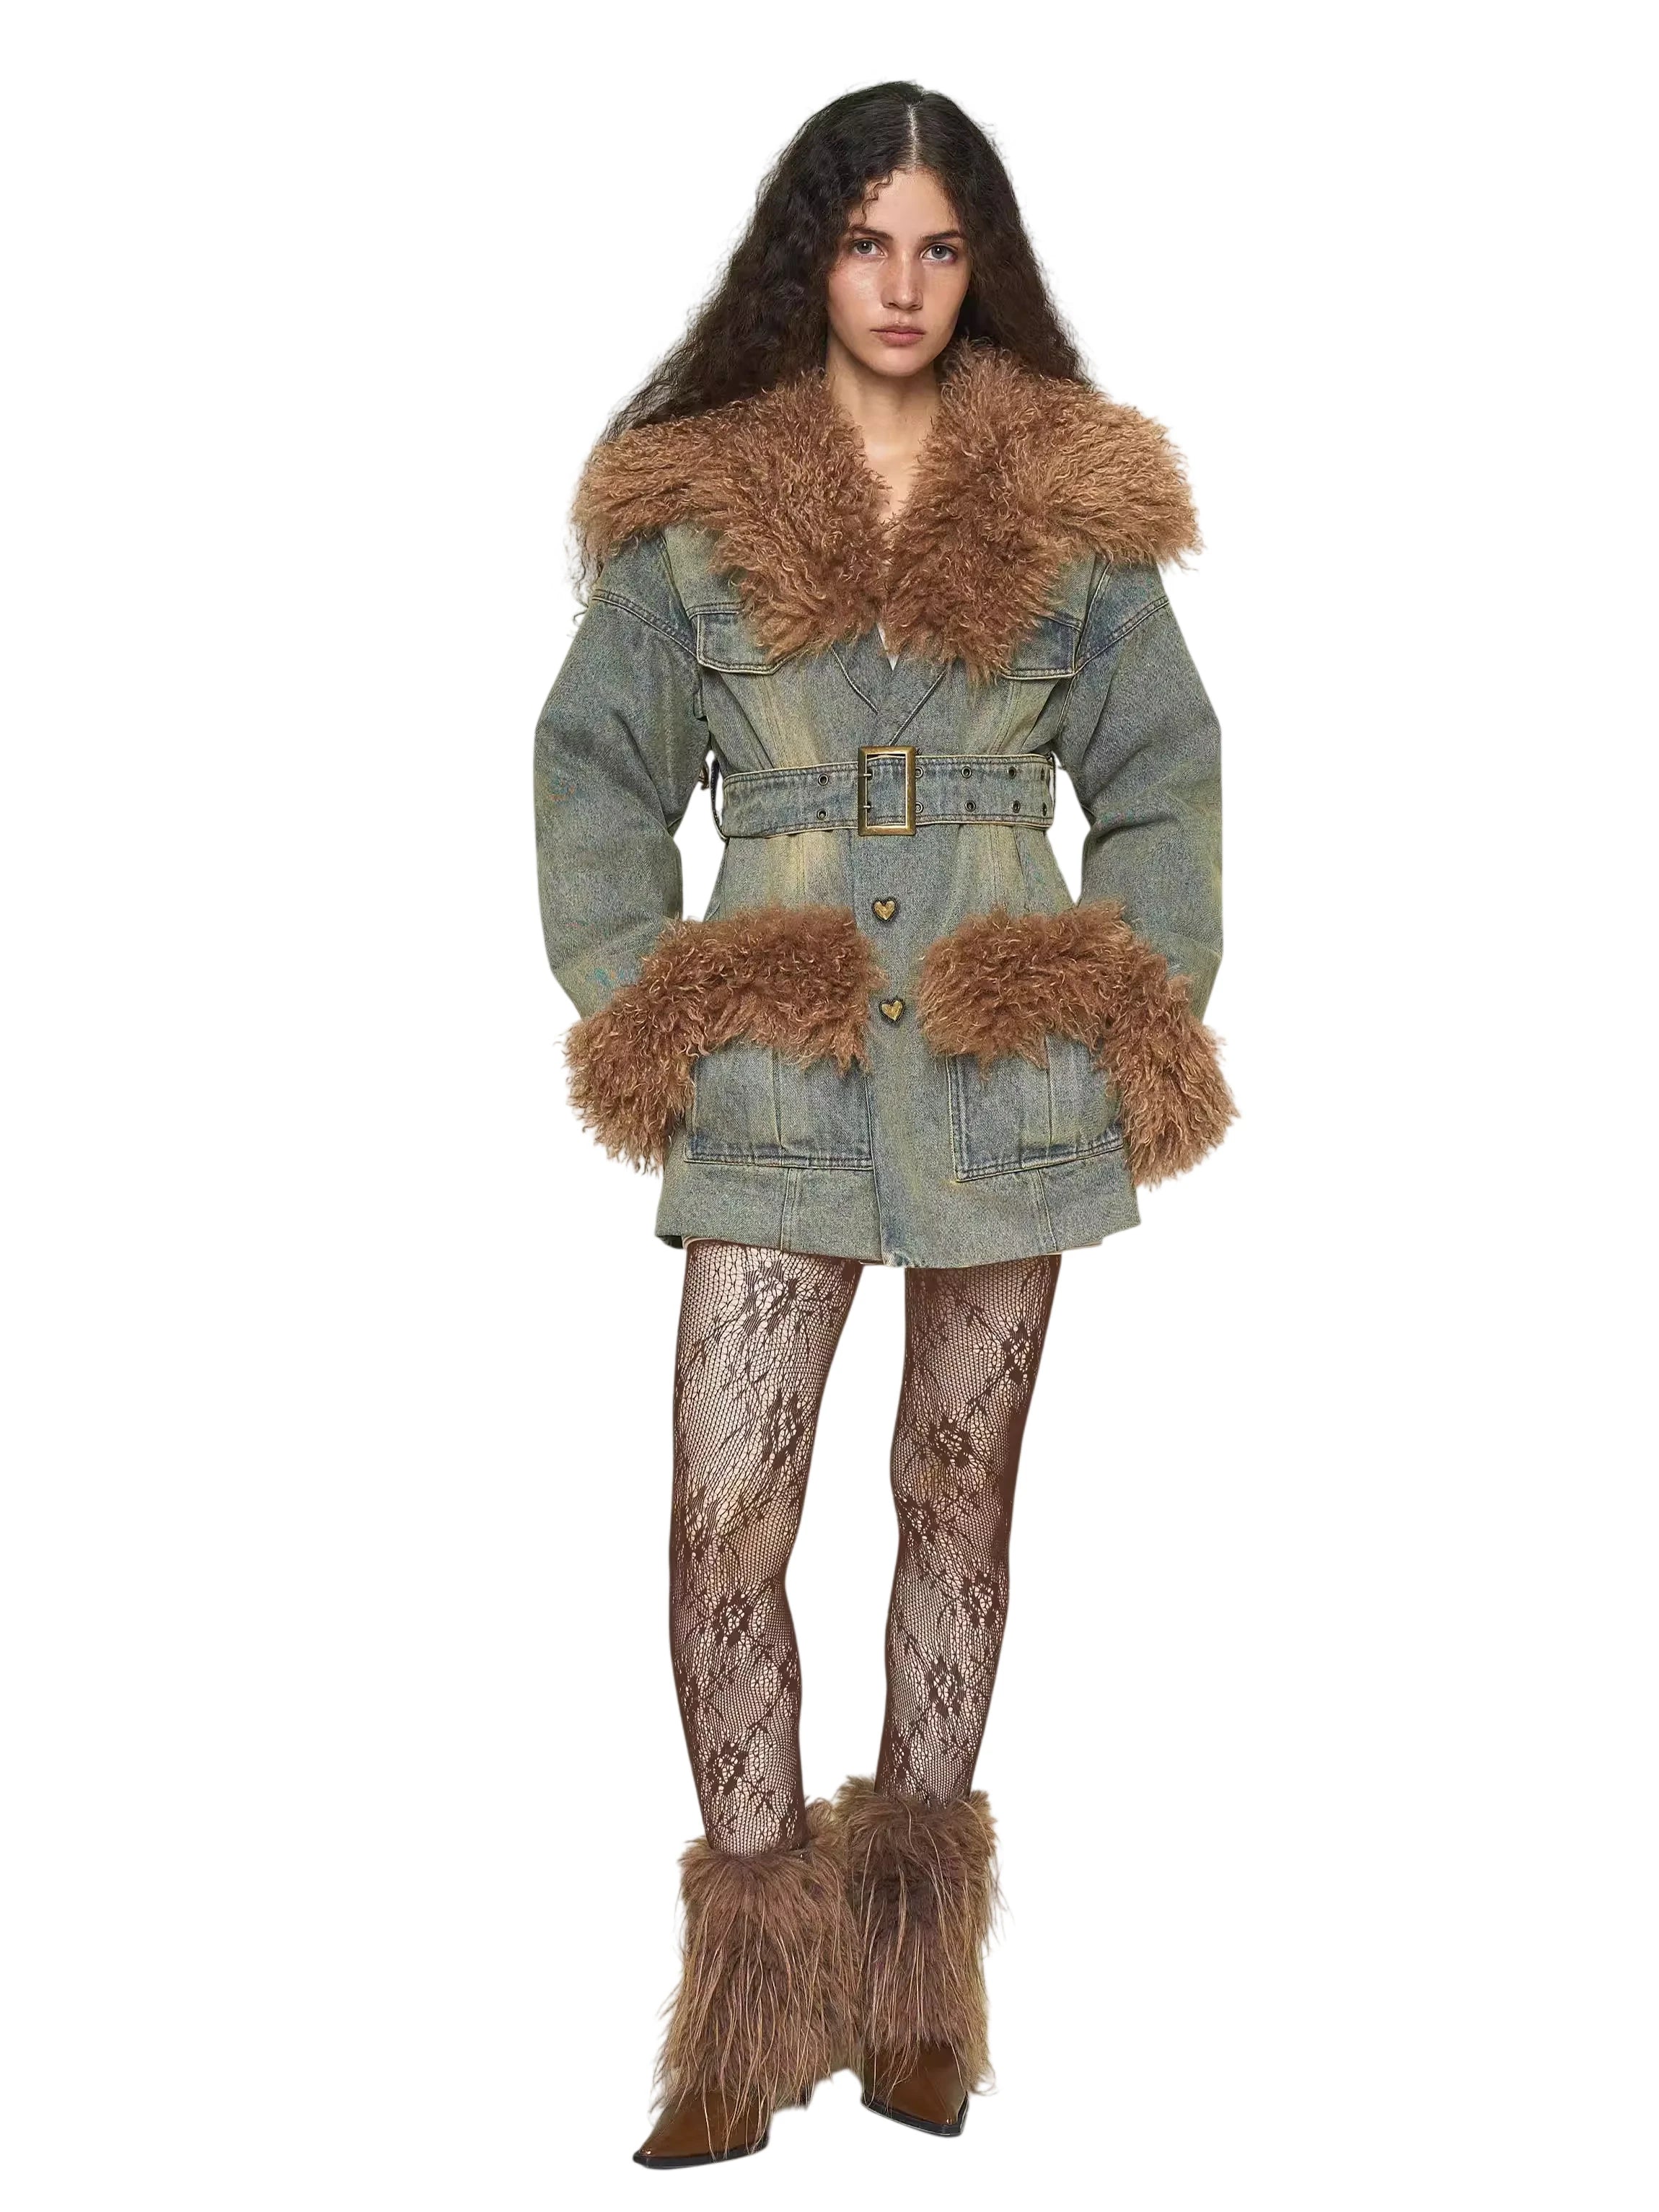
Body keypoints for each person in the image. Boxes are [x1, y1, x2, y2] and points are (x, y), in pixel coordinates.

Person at [532, 80, 1233, 2168]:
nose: (904, 285)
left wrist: (1122, 1005)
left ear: (978, 261)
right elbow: (594, 770)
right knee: (722, 1526)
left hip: (1007, 1081)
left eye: (938, 245)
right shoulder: (694, 510)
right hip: (778, 1069)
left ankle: (919, 1995)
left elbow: (1166, 777)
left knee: (956, 1506)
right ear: (807, 259)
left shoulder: (1078, 507)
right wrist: (653, 999)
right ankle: (748, 2011)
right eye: (865, 243)